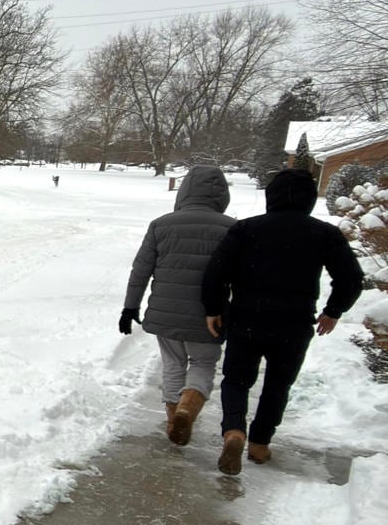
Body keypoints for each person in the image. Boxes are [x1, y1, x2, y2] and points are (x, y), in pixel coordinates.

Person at [201, 167, 364, 475]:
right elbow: (352, 279)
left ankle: (234, 430)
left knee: (236, 379)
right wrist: (333, 311)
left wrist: (214, 308)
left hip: (246, 318)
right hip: (294, 322)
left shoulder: (246, 229)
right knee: (278, 384)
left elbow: (216, 273)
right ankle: (260, 443)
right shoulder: (324, 233)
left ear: (271, 196)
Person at [121, 165, 236, 446]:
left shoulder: (162, 225)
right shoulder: (233, 228)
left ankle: (174, 419)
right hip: (211, 315)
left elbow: (141, 270)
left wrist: (130, 307)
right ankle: (188, 406)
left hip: (167, 311)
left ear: (184, 191)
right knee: (203, 362)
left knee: (173, 362)